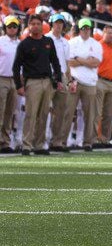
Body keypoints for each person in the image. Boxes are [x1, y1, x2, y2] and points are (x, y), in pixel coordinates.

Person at [12, 15, 62, 155]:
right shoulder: (24, 44)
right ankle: (27, 145)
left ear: (42, 25)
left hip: (47, 81)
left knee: (44, 114)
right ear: (28, 26)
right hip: (32, 82)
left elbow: (55, 61)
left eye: (38, 23)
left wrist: (58, 79)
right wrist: (19, 86)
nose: (35, 26)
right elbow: (16, 67)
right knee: (30, 114)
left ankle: (39, 145)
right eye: (32, 24)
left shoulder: (48, 41)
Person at [65, 18, 103, 151]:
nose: (85, 30)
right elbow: (69, 62)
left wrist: (78, 59)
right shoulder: (72, 42)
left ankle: (87, 142)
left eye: (88, 28)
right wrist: (87, 61)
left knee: (89, 114)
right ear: (79, 30)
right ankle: (63, 140)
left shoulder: (97, 44)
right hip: (74, 80)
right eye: (83, 28)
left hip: (90, 82)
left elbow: (96, 63)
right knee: (68, 112)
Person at [47, 13, 73, 152]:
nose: (59, 25)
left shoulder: (65, 42)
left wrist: (69, 80)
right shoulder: (46, 39)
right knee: (43, 109)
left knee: (60, 111)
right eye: (56, 22)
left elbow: (67, 64)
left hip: (62, 75)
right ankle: (38, 140)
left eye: (61, 23)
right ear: (51, 23)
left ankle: (56, 141)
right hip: (48, 75)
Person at [95, 24, 112, 146]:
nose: (111, 35)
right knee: (97, 111)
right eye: (109, 33)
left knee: (108, 113)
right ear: (103, 33)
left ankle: (105, 139)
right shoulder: (97, 46)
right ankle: (95, 137)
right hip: (99, 80)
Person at [0, 16, 20, 153]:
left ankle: (5, 142)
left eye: (14, 26)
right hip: (1, 78)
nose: (12, 28)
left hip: (15, 80)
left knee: (10, 112)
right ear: (5, 28)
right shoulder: (1, 41)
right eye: (9, 26)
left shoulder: (20, 43)